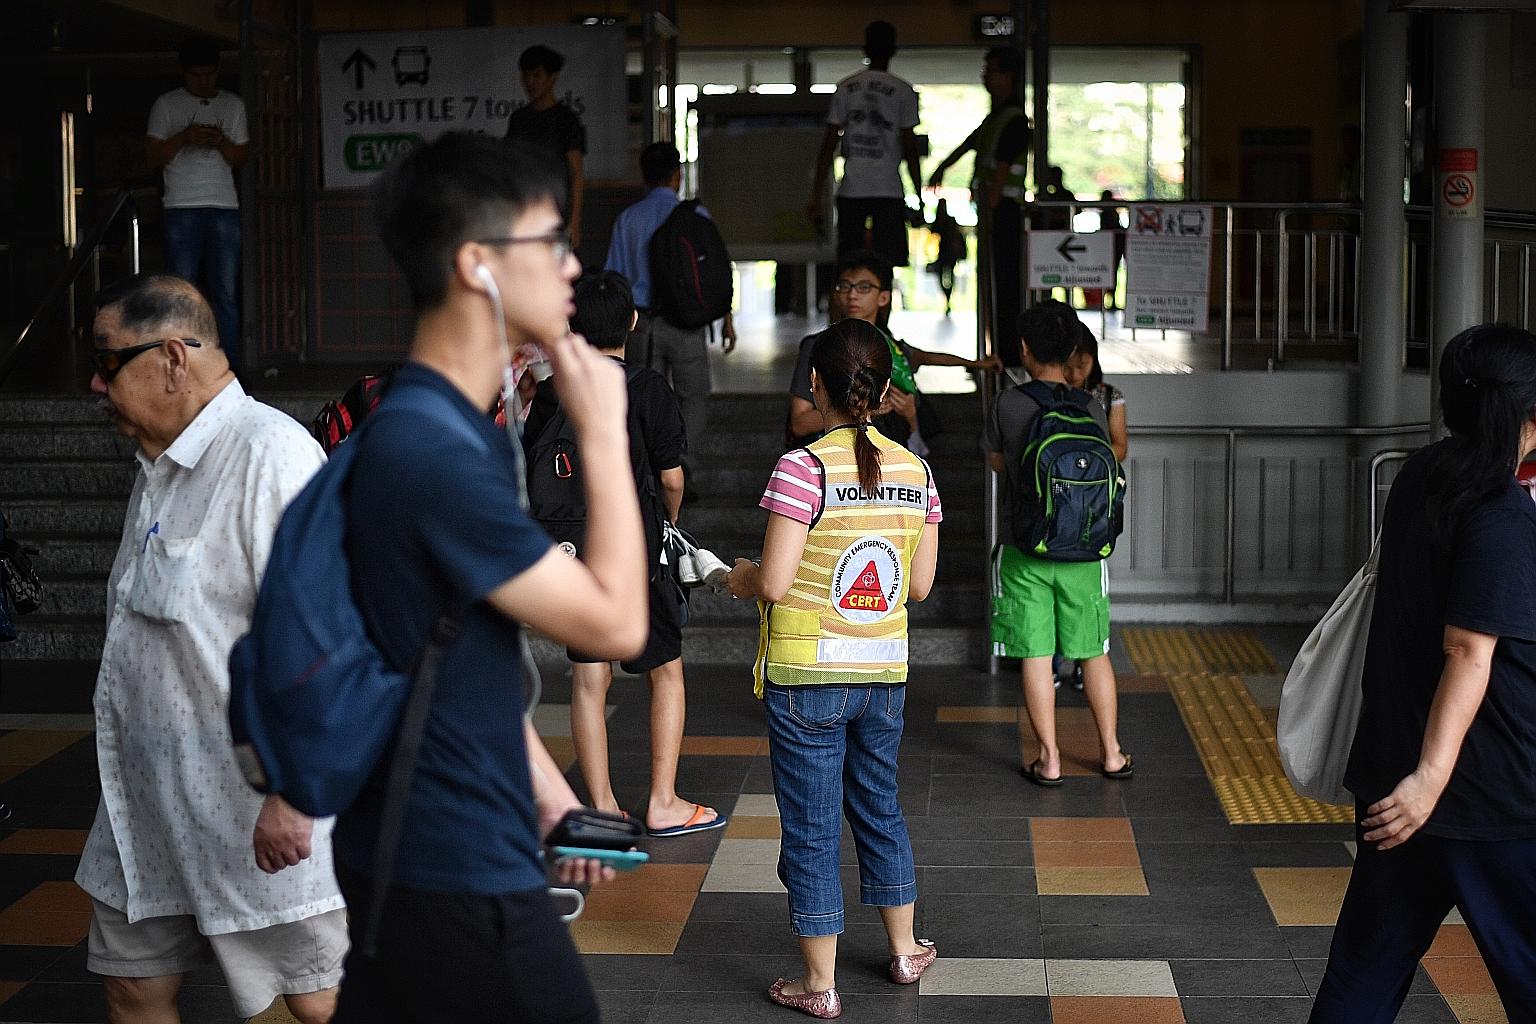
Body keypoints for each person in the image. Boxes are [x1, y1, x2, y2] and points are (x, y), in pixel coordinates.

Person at [331, 132, 648, 1023]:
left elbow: (452, 657)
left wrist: (551, 799)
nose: (573, 264)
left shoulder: (446, 426)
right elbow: (618, 625)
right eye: (551, 241)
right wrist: (599, 428)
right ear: (478, 263)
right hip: (451, 863)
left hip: (426, 840)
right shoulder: (432, 452)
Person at [75, 274, 344, 1024]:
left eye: (107, 361)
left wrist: (294, 793)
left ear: (170, 357)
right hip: (145, 810)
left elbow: (326, 635)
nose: (96, 383)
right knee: (133, 986)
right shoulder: (156, 470)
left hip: (258, 812)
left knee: (313, 1002)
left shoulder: (270, 456)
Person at [1309, 324, 1536, 1022]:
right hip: (1481, 791)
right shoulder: (1499, 512)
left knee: (1363, 978)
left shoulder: (1418, 475)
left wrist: (1412, 782)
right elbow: (1469, 650)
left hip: (1395, 778)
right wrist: (1430, 781)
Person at [725, 318, 942, 1019]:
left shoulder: (802, 468)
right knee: (880, 805)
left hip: (805, 678)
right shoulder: (917, 472)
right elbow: (918, 588)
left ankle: (820, 984)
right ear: (883, 391)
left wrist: (741, 577)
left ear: (815, 385)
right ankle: (905, 948)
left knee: (814, 824)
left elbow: (778, 582)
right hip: (882, 676)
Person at [524, 270, 726, 839]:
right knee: (665, 672)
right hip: (636, 549)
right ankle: (662, 801)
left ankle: (603, 807)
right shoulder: (646, 389)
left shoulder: (552, 392)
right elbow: (672, 478)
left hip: (573, 553)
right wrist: (669, 523)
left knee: (590, 681)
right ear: (634, 323)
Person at [984, 305, 1131, 786]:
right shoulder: (1090, 405)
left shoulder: (1007, 403)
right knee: (1094, 652)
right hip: (1086, 552)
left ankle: (1049, 760)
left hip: (1025, 547)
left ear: (1023, 350)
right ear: (1071, 352)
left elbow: (1000, 465)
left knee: (1035, 655)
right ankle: (1111, 753)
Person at [605, 142, 736, 480]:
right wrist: (726, 318)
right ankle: (682, 465)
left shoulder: (628, 219)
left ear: (644, 176)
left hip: (642, 325)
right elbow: (715, 272)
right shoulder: (696, 216)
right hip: (686, 324)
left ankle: (651, 468)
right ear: (678, 175)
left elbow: (615, 278)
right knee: (693, 397)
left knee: (644, 395)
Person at [786, 251, 1000, 452]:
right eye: (844, 286)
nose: (852, 294)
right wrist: (865, 411)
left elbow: (930, 357)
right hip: (833, 456)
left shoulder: (894, 351)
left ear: (884, 297)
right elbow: (800, 424)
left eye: (864, 287)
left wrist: (977, 364)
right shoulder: (818, 346)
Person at [146, 38, 250, 369]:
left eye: (209, 75)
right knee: (180, 295)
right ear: (183, 73)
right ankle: (183, 366)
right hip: (180, 205)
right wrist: (184, 137)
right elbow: (152, 156)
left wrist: (220, 141)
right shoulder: (166, 105)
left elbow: (242, 158)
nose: (204, 82)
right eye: (196, 76)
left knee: (226, 296)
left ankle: (228, 368)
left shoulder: (233, 106)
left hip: (224, 206)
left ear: (218, 71)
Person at [928, 47, 1031, 370]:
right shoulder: (996, 118)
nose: (986, 76)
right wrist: (943, 166)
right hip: (991, 213)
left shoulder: (1014, 120)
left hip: (1003, 214)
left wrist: (990, 209)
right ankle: (998, 354)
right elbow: (970, 143)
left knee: (1005, 286)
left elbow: (1000, 173)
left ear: (1009, 76)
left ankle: (1009, 357)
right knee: (993, 287)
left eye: (992, 69)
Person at [807, 21, 922, 268]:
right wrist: (919, 194)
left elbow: (828, 146)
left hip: (852, 189)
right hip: (888, 189)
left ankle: (852, 304)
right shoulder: (903, 91)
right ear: (893, 51)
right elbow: (910, 147)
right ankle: (881, 304)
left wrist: (816, 194)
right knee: (886, 263)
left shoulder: (846, 88)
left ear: (865, 50)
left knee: (849, 263)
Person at [505, 45, 587, 250]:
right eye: (526, 75)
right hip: (524, 207)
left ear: (553, 78)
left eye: (537, 75)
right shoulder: (519, 119)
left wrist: (574, 222)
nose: (530, 82)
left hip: (557, 210)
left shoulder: (567, 120)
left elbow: (576, 173)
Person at [1066, 327, 1128, 463]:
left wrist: (1086, 458)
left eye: (1082, 366)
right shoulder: (1050, 393)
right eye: (1068, 367)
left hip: (1096, 476)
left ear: (1093, 360)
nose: (1075, 375)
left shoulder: (1110, 396)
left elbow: (1121, 449)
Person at [928, 198, 965, 316]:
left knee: (945, 278)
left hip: (947, 254)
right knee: (945, 278)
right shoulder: (945, 221)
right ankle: (947, 299)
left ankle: (948, 299)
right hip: (946, 254)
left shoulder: (946, 221)